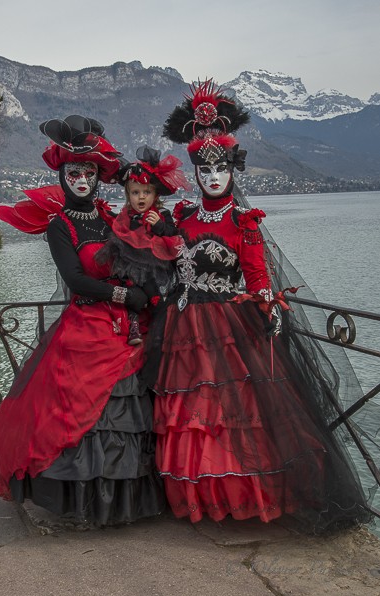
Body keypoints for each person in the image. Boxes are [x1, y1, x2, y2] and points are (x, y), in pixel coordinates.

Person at [147, 80, 372, 532]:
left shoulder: (242, 221)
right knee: (195, 418)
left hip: (230, 328)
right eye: (205, 172)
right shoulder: (185, 216)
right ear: (196, 173)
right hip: (185, 330)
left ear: (233, 171)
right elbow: (169, 258)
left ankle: (244, 497)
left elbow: (256, 275)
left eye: (220, 170)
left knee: (237, 415)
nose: (212, 177)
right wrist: (152, 229)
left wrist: (268, 303)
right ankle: (203, 498)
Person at [0, 115, 165, 526]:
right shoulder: (59, 226)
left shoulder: (108, 219)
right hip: (86, 326)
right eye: (73, 172)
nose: (82, 179)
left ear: (98, 177)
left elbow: (137, 255)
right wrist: (125, 294)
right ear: (62, 175)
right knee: (82, 414)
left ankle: (126, 501)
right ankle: (84, 502)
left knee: (129, 412)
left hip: (127, 327)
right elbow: (76, 280)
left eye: (88, 172)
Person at [96, 144, 190, 346]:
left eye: (146, 192)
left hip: (155, 267)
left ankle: (163, 327)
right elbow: (119, 234)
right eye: (135, 192)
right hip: (130, 267)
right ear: (128, 195)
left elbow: (173, 236)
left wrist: (159, 226)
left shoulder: (161, 215)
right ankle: (135, 324)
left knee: (155, 296)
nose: (141, 197)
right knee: (132, 290)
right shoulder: (126, 216)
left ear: (155, 195)